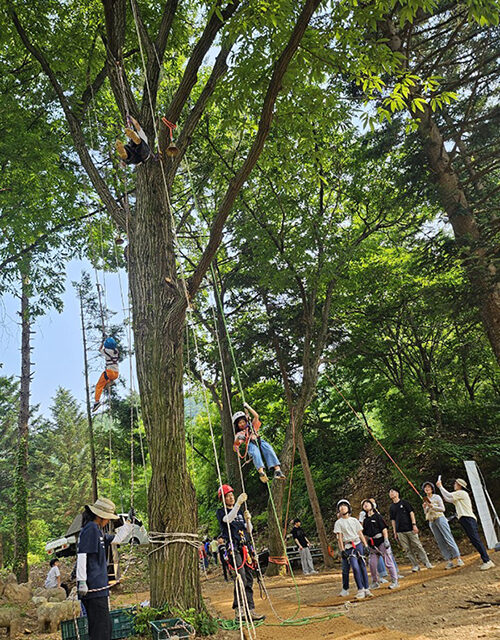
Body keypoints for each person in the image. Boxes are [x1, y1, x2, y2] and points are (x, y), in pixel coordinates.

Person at [76, 498, 134, 640]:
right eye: (108, 518)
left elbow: (117, 539)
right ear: (100, 516)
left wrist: (129, 523)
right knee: (100, 631)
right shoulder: (91, 529)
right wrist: (82, 581)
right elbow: (82, 554)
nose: (109, 521)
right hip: (93, 589)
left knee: (104, 628)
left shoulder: (98, 531)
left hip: (100, 588)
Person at [216, 484, 265, 622]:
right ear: (223, 499)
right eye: (228, 496)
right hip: (234, 548)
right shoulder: (221, 512)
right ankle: (240, 610)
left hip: (245, 547)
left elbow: (249, 530)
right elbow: (228, 520)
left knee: (249, 578)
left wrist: (248, 519)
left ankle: (250, 609)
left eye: (232, 495)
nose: (231, 498)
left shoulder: (239, 512)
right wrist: (238, 503)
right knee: (240, 577)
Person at [437, 476, 494, 571]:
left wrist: (440, 487)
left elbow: (449, 495)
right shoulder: (459, 495)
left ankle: (487, 561)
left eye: (455, 484)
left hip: (468, 518)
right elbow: (448, 499)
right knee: (474, 540)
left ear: (459, 485)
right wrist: (441, 489)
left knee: (476, 540)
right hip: (465, 519)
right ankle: (486, 560)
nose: (454, 485)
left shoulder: (462, 493)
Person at [233, 402, 285, 483]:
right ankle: (261, 472)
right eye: (240, 423)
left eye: (243, 421)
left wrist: (248, 407)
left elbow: (256, 416)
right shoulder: (240, 433)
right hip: (250, 443)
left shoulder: (251, 425)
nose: (242, 424)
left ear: (246, 421)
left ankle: (277, 470)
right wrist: (238, 438)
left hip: (259, 440)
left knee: (269, 449)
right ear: (237, 425)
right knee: (255, 453)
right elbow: (236, 444)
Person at [334, 499, 372, 599]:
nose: (342, 507)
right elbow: (340, 538)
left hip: (358, 544)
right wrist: (342, 550)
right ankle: (360, 589)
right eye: (340, 506)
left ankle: (366, 588)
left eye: (344, 505)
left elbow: (360, 533)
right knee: (355, 567)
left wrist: (366, 546)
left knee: (362, 566)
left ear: (348, 508)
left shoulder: (354, 520)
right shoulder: (338, 523)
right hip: (348, 546)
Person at [389, 488, 434, 572]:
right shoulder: (391, 507)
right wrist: (395, 532)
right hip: (400, 531)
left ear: (397, 493)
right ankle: (415, 565)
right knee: (407, 549)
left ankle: (426, 562)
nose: (391, 493)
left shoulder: (405, 503)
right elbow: (393, 520)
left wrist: (414, 524)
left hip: (410, 528)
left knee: (417, 545)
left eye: (393, 492)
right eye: (390, 492)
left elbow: (411, 513)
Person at [421, 481, 463, 569]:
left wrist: (432, 506)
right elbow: (426, 513)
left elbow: (442, 509)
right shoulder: (425, 499)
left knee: (448, 537)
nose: (427, 489)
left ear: (432, 489)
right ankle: (449, 561)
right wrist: (426, 507)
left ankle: (458, 558)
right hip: (431, 521)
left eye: (429, 487)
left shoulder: (437, 497)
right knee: (440, 541)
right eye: (425, 488)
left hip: (440, 518)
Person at [361, 499, 399, 590]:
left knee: (388, 562)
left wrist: (386, 540)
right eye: (364, 504)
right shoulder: (365, 520)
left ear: (372, 506)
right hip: (372, 544)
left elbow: (384, 529)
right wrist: (366, 544)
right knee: (372, 564)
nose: (365, 505)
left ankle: (394, 580)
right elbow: (364, 533)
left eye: (367, 503)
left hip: (381, 541)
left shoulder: (378, 517)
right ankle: (375, 581)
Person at [92, 338, 119, 412]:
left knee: (99, 386)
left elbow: (99, 349)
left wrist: (102, 342)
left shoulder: (106, 351)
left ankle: (96, 402)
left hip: (109, 373)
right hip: (116, 374)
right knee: (103, 383)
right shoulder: (116, 351)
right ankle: (109, 382)